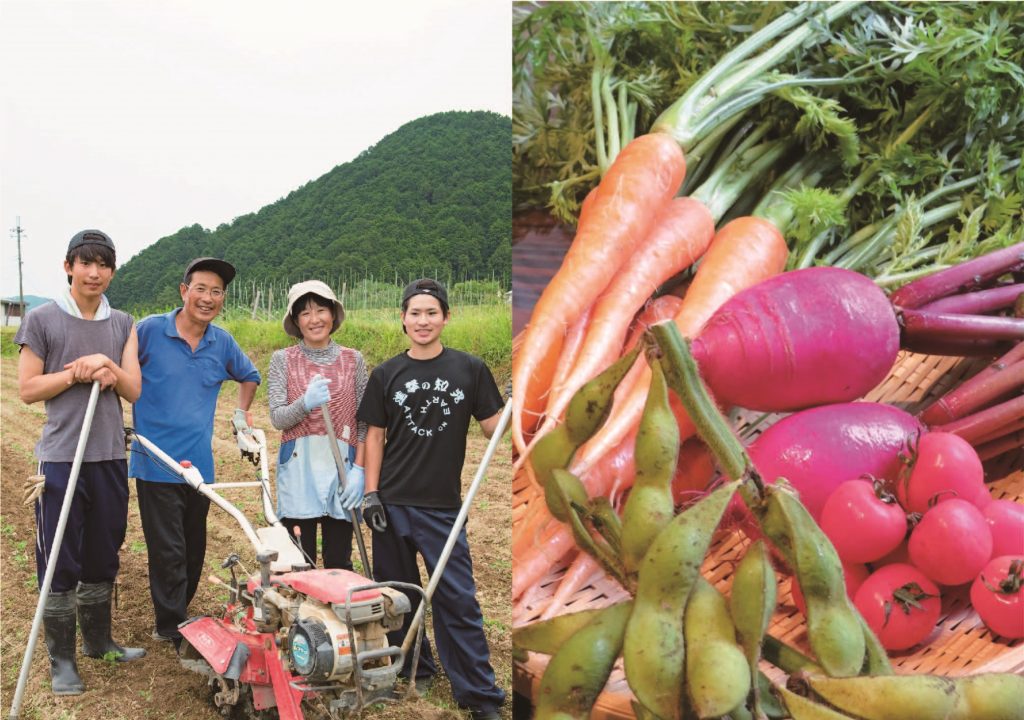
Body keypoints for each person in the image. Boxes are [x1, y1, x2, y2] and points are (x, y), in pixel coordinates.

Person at [357, 278, 505, 720]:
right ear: (403, 319)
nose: (423, 321)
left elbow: (490, 426)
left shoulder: (470, 369)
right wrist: (370, 495)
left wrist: (515, 412)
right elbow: (375, 436)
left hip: (442, 507)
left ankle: (478, 694)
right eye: (415, 313)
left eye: (431, 312)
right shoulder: (387, 374)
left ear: (446, 317)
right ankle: (412, 668)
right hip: (393, 502)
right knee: (399, 594)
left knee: (457, 598)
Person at [14, 229, 145, 695]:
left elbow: (134, 389)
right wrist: (75, 371)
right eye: (85, 263)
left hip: (108, 454)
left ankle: (99, 641)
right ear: (68, 266)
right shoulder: (43, 319)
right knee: (59, 558)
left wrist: (110, 369)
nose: (94, 273)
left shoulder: (123, 322)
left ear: (112, 270)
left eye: (103, 264)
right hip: (62, 458)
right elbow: (27, 390)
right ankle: (61, 659)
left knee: (103, 552)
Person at [129, 257, 260, 649]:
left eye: (216, 291)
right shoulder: (149, 331)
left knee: (193, 547)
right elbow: (122, 373)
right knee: (167, 550)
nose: (207, 298)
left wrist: (240, 417)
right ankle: (170, 626)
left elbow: (250, 375)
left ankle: (177, 611)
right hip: (155, 462)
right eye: (200, 288)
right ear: (184, 291)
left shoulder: (222, 342)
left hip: (199, 467)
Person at [267, 280, 367, 569]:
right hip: (299, 466)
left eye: (321, 310)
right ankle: (303, 616)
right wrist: (305, 403)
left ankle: (337, 614)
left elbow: (364, 422)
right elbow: (277, 418)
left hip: (342, 469)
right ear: (296, 322)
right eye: (305, 313)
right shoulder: (282, 360)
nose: (315, 319)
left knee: (339, 561)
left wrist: (359, 469)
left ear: (333, 315)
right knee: (301, 562)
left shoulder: (353, 360)